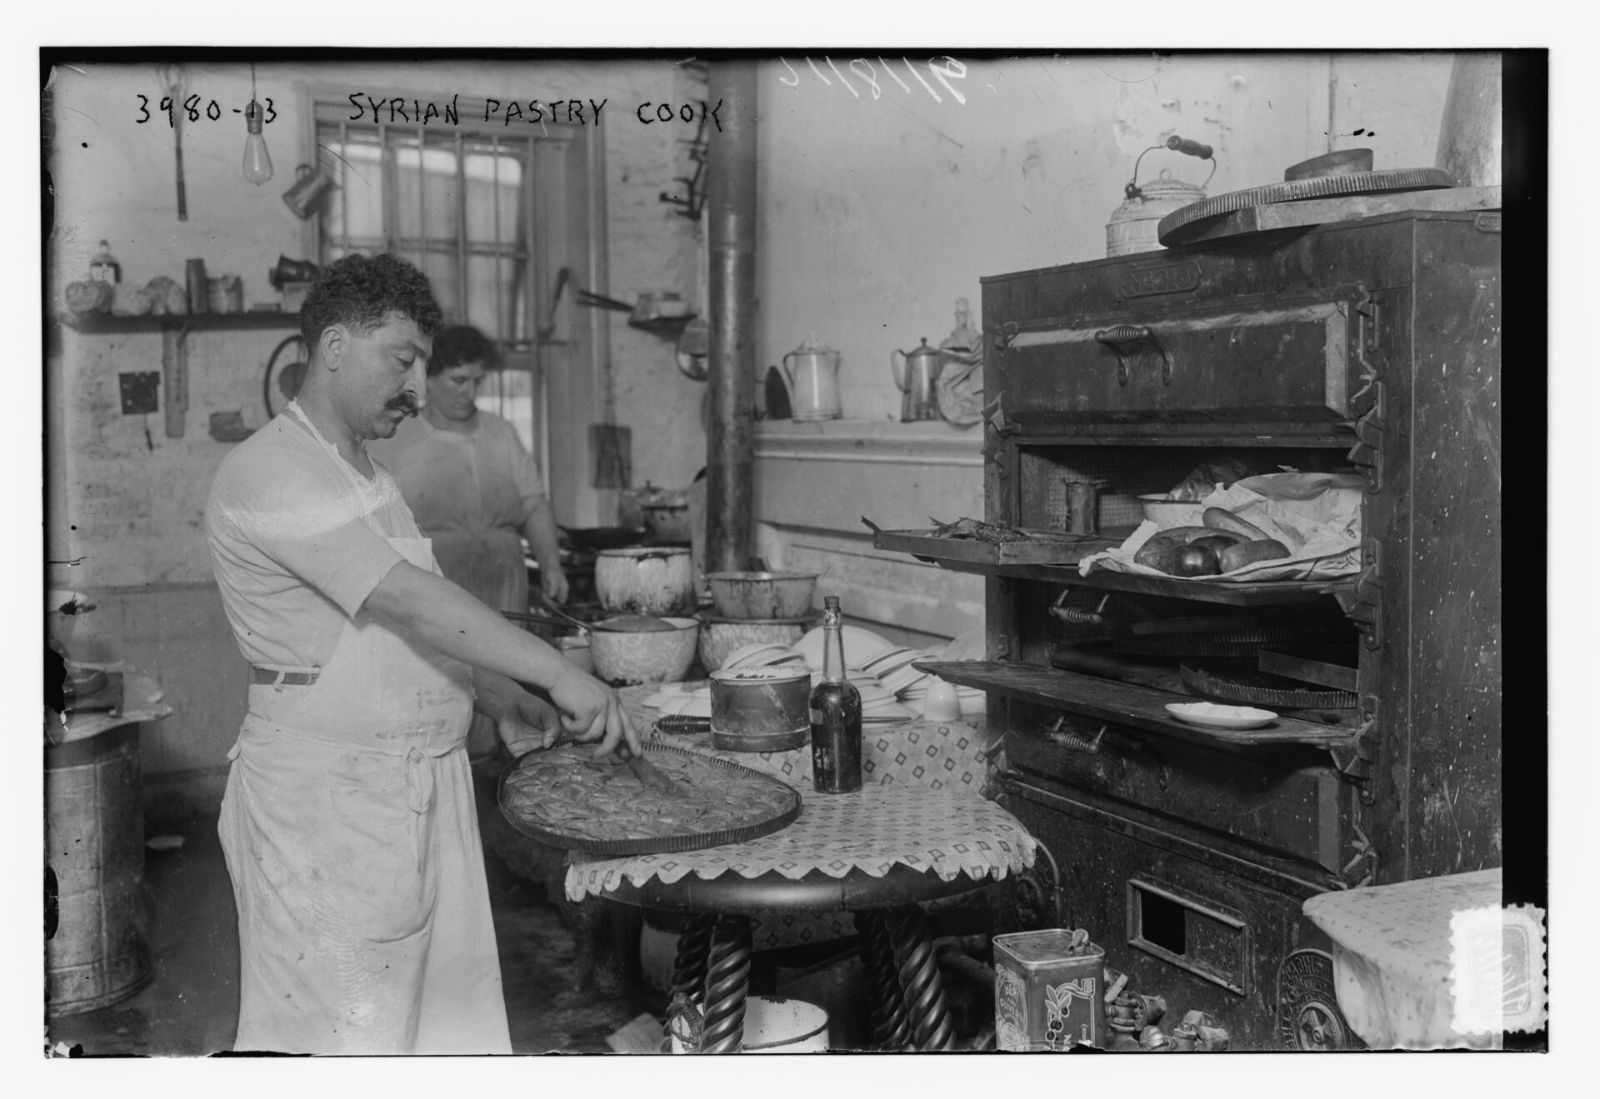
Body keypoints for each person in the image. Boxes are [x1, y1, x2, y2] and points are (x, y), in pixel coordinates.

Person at [205, 253, 638, 1055]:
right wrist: (554, 669)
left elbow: (417, 626)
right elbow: (402, 596)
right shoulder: (271, 471)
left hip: (410, 789)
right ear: (335, 346)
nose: (415, 386)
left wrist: (499, 695)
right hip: (329, 805)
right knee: (341, 1041)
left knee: (438, 1031)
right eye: (401, 360)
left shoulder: (368, 477)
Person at [368, 325, 567, 759]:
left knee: (509, 682)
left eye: (477, 381)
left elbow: (533, 503)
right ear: (429, 379)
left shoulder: (500, 432)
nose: (469, 392)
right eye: (458, 381)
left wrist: (550, 563)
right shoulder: (402, 439)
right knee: (451, 685)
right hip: (441, 584)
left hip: (503, 579)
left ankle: (512, 773)